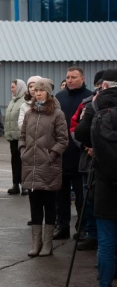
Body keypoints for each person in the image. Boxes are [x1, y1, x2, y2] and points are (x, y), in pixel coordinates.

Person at [19, 78, 68, 257]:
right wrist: (23, 151)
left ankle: (47, 244)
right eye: (35, 90)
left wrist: (51, 155)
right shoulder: (29, 113)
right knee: (34, 205)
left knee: (49, 205)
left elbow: (63, 140)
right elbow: (22, 136)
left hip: (48, 166)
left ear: (48, 92)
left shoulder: (57, 114)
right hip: (30, 166)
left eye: (41, 90)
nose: (37, 93)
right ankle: (36, 243)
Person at [82, 69, 117, 287]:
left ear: (104, 86)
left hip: (105, 184)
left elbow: (80, 134)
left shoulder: (96, 108)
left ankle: (104, 284)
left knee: (106, 242)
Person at [53, 67, 93, 240]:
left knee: (81, 196)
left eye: (73, 77)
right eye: (68, 77)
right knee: (61, 196)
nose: (70, 80)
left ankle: (82, 228)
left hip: (79, 155)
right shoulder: (59, 97)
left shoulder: (89, 99)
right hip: (61, 155)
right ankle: (62, 226)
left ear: (82, 79)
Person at [73, 71, 106, 251]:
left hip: (106, 160)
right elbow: (75, 128)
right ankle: (91, 233)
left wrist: (98, 147)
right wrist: (85, 145)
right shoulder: (87, 104)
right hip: (87, 160)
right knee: (89, 198)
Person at [4, 79, 27, 195]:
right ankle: (15, 184)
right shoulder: (12, 101)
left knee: (23, 161)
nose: (11, 89)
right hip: (13, 138)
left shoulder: (24, 101)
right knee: (15, 162)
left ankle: (25, 185)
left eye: (13, 87)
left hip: (22, 138)